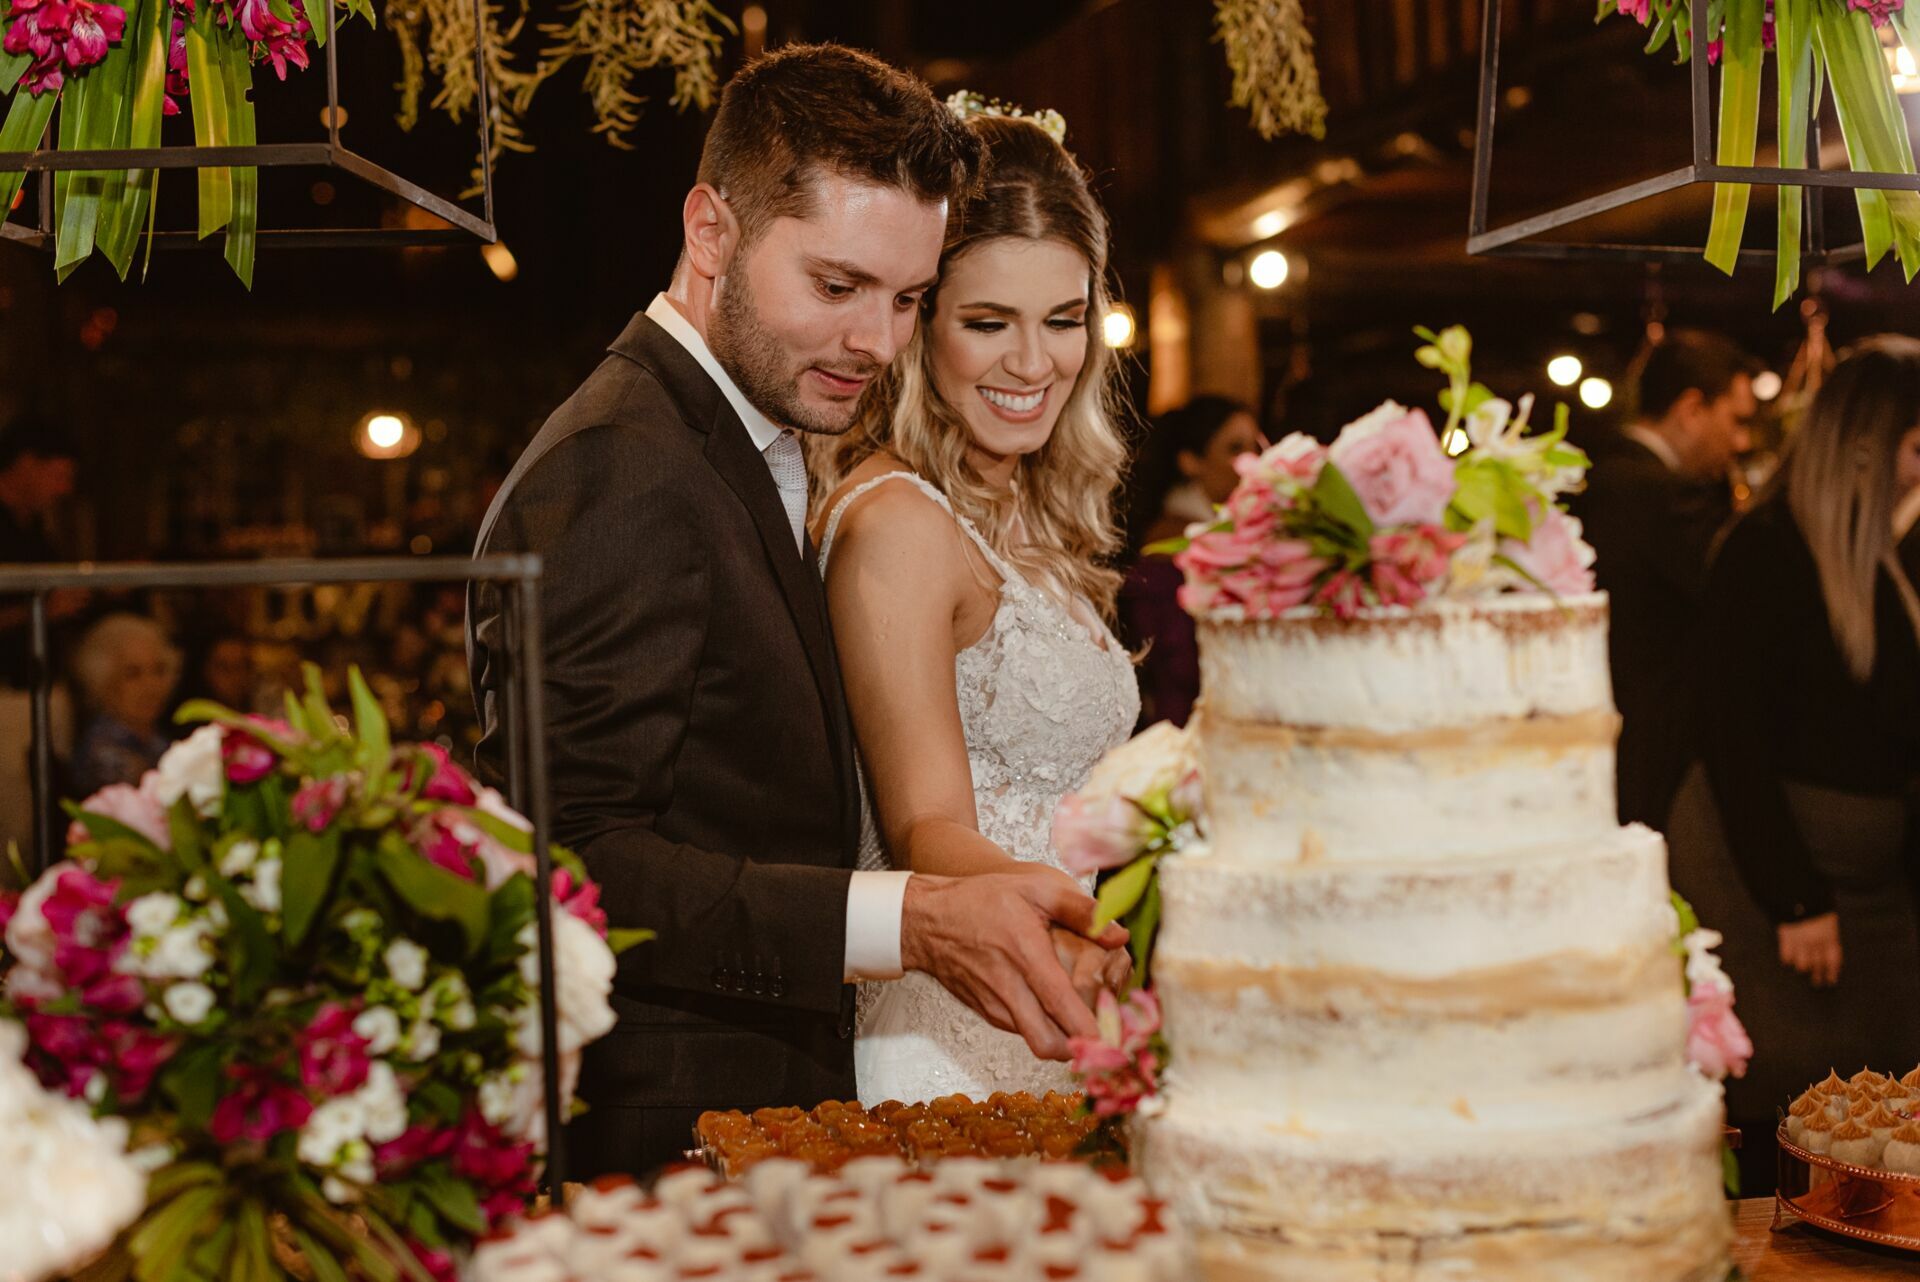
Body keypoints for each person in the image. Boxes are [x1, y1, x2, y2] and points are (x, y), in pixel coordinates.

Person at [467, 45, 1127, 1178]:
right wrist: (905, 921)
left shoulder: (752, 438)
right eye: (837, 286)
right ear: (711, 231)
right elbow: (563, 862)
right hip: (662, 1140)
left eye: (908, 298)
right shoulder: (625, 462)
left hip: (775, 1124)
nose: (877, 341)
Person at [810, 109, 1139, 1102]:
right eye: (989, 322)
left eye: (1064, 319)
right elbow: (926, 830)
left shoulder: (1026, 514)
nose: (1034, 363)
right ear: (918, 324)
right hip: (950, 1032)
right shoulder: (898, 523)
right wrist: (1078, 927)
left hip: (1063, 998)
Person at [1665, 336, 1920, 1192]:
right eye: (1915, 449)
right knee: (1798, 1098)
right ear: (1864, 445)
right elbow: (1732, 739)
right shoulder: (1766, 550)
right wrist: (1796, 899)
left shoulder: (1881, 558)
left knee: (1879, 1092)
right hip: (1770, 873)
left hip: (1864, 878)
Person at [1571, 330, 1760, 830]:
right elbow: (1740, 598)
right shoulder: (1658, 493)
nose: (1742, 442)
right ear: (1692, 408)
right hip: (1653, 742)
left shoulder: (1607, 472)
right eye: (1736, 420)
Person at [1118, 396, 1265, 727]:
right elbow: (1180, 669)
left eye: (1254, 446)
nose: (1252, 460)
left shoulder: (1244, 534)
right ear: (1190, 461)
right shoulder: (1166, 550)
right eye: (1235, 448)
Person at [70, 614, 181, 798]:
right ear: (104, 681)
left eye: (159, 670)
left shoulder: (159, 740)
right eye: (132, 674)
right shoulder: (102, 751)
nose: (151, 685)